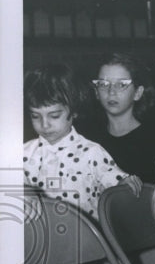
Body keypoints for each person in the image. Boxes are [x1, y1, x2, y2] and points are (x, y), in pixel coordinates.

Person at [24, 63, 141, 219]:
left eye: (54, 116)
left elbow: (117, 186)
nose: (45, 124)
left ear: (74, 112)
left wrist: (126, 184)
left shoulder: (91, 153)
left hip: (85, 239)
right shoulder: (23, 153)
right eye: (35, 116)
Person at [87, 52, 155, 183]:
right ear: (96, 92)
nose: (111, 92)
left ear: (137, 93)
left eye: (121, 85)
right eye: (104, 84)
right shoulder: (89, 139)